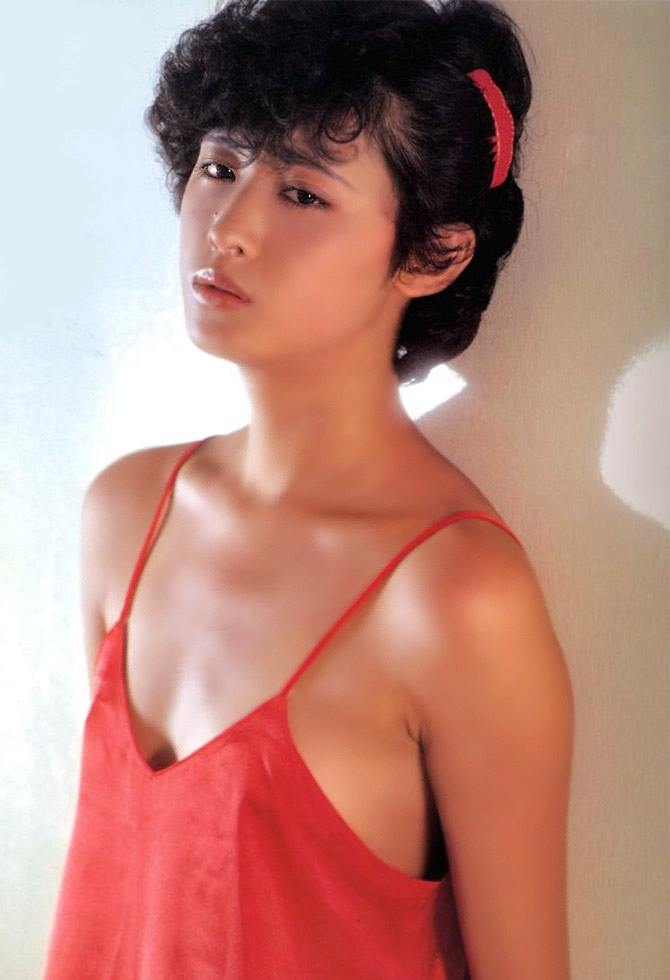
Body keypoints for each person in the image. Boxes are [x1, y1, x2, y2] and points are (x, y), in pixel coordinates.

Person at [43, 1, 574, 977]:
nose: (229, 227)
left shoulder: (457, 597)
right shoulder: (125, 512)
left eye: (302, 193)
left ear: (434, 253)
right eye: (219, 166)